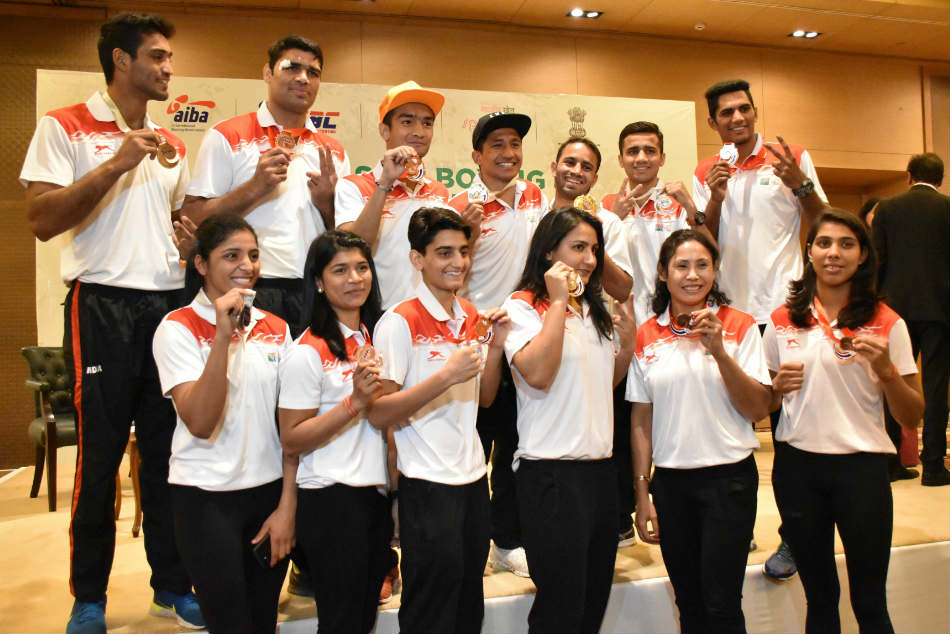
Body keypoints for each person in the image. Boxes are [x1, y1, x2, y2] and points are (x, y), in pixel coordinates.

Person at [19, 13, 201, 633]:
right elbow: (42, 219)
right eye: (157, 56)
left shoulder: (172, 141)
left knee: (166, 455)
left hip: (165, 308)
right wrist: (116, 163)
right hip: (98, 305)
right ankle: (88, 598)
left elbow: (174, 221)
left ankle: (171, 585)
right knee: (99, 461)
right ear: (121, 61)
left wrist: (186, 236)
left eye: (170, 57)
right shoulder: (64, 125)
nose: (168, 68)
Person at [693, 79, 828, 581]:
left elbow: (821, 222)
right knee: (733, 429)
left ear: (754, 112)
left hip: (786, 312)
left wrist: (800, 184)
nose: (737, 118)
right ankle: (735, 525)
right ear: (713, 123)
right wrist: (714, 197)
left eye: (744, 109)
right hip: (731, 315)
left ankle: (796, 536)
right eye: (725, 113)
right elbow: (704, 242)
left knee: (792, 433)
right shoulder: (708, 170)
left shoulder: (788, 158)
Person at [764, 209, 924, 633]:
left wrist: (888, 373)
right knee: (819, 600)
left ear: (862, 256)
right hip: (798, 470)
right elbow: (762, 404)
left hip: (863, 471)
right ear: (810, 252)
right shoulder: (782, 320)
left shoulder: (889, 322)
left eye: (846, 244)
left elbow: (912, 415)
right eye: (824, 243)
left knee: (870, 602)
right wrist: (775, 388)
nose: (834, 253)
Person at [152, 214, 297, 634]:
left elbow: (289, 426)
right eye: (230, 255)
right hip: (205, 499)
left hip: (269, 495)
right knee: (230, 623)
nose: (246, 265)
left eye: (253, 255)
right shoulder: (176, 328)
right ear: (200, 264)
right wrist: (221, 336)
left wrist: (287, 506)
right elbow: (199, 421)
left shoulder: (277, 328)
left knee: (262, 620)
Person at [369, 208, 510, 632]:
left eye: (464, 252)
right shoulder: (398, 321)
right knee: (431, 608)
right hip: (427, 485)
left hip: (471, 480)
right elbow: (379, 411)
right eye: (444, 252)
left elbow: (484, 399)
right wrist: (445, 376)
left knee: (469, 605)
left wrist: (497, 349)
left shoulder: (470, 315)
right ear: (417, 259)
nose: (458, 262)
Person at [628, 229, 771, 633]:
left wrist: (720, 351)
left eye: (702, 265)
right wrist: (642, 492)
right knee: (688, 604)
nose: (693, 275)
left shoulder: (739, 325)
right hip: (671, 486)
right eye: (682, 266)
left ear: (715, 270)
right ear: (662, 273)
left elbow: (757, 407)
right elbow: (642, 420)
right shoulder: (646, 334)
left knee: (722, 605)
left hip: (729, 481)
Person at [503, 207, 637, 633]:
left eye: (594, 249)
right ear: (547, 252)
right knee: (559, 610)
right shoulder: (522, 306)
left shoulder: (594, 307)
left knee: (592, 603)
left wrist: (628, 349)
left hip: (601, 472)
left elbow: (603, 383)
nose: (590, 259)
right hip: (552, 475)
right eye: (578, 247)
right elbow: (538, 374)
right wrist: (558, 301)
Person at [182, 35, 348, 338]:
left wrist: (327, 206)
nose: (303, 78)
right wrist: (255, 187)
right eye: (291, 68)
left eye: (313, 72)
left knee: (307, 384)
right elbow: (192, 218)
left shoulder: (333, 150)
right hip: (248, 285)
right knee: (250, 384)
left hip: (313, 288)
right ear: (267, 74)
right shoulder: (227, 135)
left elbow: (345, 236)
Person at [446, 111, 549, 578]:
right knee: (471, 444)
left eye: (514, 144)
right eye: (497, 146)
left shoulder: (535, 197)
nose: (508, 154)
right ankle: (469, 539)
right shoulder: (459, 204)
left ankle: (507, 540)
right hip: (476, 341)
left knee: (513, 448)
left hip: (523, 340)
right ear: (476, 156)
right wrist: (464, 233)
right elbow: (447, 276)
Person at [278, 230, 391, 633]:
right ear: (319, 282)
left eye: (362, 268)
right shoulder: (307, 350)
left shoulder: (374, 336)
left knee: (363, 618)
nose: (355, 278)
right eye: (340, 270)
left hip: (373, 495)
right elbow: (291, 437)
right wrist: (352, 405)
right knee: (342, 621)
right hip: (330, 498)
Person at [548, 135, 638, 548]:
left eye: (586, 167)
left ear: (596, 176)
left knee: (608, 428)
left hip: (594, 331)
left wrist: (594, 242)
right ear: (553, 166)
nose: (576, 171)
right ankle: (519, 533)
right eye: (570, 162)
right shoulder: (537, 216)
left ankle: (616, 519)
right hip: (546, 330)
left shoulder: (609, 222)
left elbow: (622, 288)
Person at [336, 81, 451, 310]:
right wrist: (385, 183)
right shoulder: (355, 186)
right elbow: (351, 248)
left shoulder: (439, 192)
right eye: (407, 122)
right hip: (376, 314)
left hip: (430, 318)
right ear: (384, 130)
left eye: (427, 123)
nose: (419, 131)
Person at [872, 153, 950, 486]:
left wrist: (876, 305)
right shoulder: (948, 207)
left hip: (896, 310)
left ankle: (890, 463)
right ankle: (933, 465)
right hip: (941, 309)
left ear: (908, 177)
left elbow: (879, 261)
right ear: (941, 179)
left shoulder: (888, 209)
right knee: (936, 386)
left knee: (894, 380)